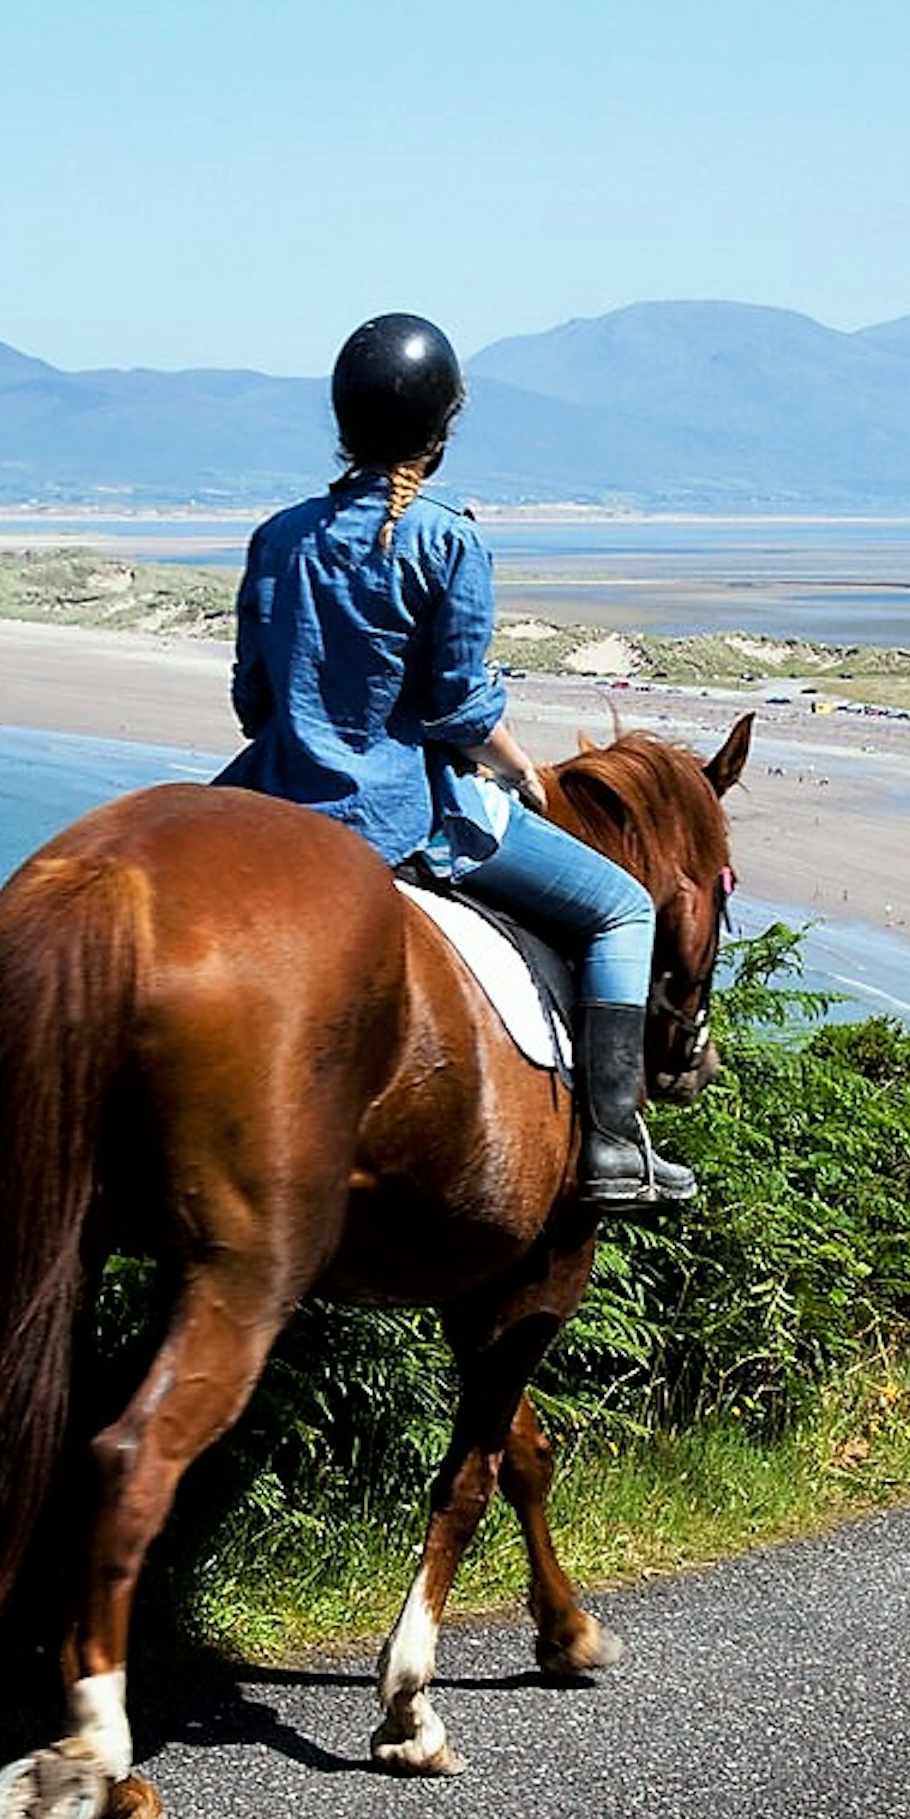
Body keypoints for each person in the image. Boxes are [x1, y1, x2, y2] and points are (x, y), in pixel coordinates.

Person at [216, 312, 695, 1209]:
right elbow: (458, 709)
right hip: (403, 812)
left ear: (343, 422)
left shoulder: (278, 537)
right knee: (623, 909)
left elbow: (254, 704)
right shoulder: (449, 541)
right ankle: (615, 1144)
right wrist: (522, 773)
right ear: (440, 432)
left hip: (270, 801)